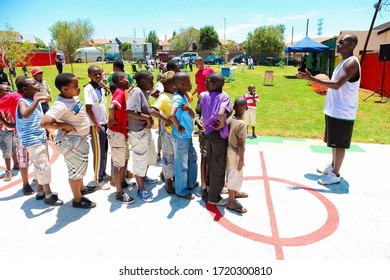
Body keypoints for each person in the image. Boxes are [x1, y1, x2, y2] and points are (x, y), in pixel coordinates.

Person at [297, 34, 361, 185]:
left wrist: (312, 79)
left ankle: (336, 174)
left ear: (351, 45)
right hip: (335, 109)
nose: (338, 45)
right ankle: (333, 167)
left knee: (339, 144)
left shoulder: (351, 63)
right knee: (333, 142)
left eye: (341, 42)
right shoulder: (343, 62)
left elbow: (337, 84)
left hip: (343, 111)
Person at [41, 73, 97, 208]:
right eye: (75, 86)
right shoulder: (60, 105)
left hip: (79, 139)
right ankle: (77, 199)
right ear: (64, 88)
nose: (79, 88)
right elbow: (45, 123)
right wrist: (64, 125)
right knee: (75, 172)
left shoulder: (72, 97)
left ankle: (81, 188)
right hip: (71, 141)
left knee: (79, 168)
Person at [15, 76, 63, 206]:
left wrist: (48, 131)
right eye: (34, 84)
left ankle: (40, 191)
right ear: (25, 89)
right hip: (32, 140)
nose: (37, 85)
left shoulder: (33, 101)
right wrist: (37, 100)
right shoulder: (23, 102)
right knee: (43, 166)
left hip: (40, 138)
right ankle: (49, 195)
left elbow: (39, 120)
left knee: (39, 165)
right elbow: (25, 114)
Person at [199, 72, 231, 205]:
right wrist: (222, 123)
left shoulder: (205, 96)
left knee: (212, 162)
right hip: (218, 135)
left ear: (212, 84)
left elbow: (203, 111)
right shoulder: (224, 97)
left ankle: (213, 188)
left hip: (207, 133)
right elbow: (221, 112)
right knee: (219, 164)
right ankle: (214, 197)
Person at [126, 70, 158, 202]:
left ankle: (144, 176)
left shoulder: (143, 91)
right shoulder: (137, 92)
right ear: (142, 81)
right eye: (151, 80)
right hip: (137, 132)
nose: (153, 82)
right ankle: (141, 189)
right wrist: (147, 118)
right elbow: (129, 112)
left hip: (144, 132)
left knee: (148, 156)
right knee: (140, 159)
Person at [107, 71, 135, 204]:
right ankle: (118, 192)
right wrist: (112, 119)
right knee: (118, 164)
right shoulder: (119, 92)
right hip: (116, 133)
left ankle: (122, 183)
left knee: (123, 159)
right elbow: (111, 107)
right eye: (126, 78)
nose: (128, 80)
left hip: (121, 132)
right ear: (119, 80)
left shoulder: (122, 91)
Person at [169, 72, 198, 200]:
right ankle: (181, 190)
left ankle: (190, 183)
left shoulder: (184, 96)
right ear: (181, 84)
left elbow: (190, 114)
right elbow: (171, 114)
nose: (191, 84)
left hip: (187, 137)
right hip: (180, 138)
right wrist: (178, 126)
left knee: (192, 158)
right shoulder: (178, 98)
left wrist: (190, 110)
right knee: (181, 164)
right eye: (189, 81)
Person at [0, 78, 31, 194]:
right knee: (12, 154)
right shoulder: (11, 98)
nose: (9, 93)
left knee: (16, 151)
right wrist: (6, 123)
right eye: (6, 91)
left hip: (21, 131)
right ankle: (13, 174)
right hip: (11, 132)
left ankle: (17, 166)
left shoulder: (21, 97)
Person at [84, 65, 110, 190]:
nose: (98, 76)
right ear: (89, 75)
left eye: (100, 73)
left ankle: (103, 173)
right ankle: (97, 179)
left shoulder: (99, 87)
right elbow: (88, 109)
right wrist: (97, 124)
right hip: (96, 126)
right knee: (98, 153)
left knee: (104, 150)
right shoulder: (88, 89)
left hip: (104, 123)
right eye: (95, 74)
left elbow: (101, 106)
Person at [150, 71, 176, 194]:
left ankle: (174, 175)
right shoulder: (164, 96)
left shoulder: (174, 94)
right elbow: (153, 110)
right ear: (167, 84)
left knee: (176, 156)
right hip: (168, 132)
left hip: (177, 131)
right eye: (174, 83)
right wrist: (166, 119)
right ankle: (168, 180)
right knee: (168, 156)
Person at [226, 97, 249, 213]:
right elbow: (241, 144)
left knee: (231, 173)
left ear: (233, 108)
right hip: (235, 153)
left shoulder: (230, 119)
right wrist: (241, 159)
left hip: (228, 150)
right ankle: (231, 202)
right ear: (247, 108)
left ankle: (235, 193)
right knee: (234, 176)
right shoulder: (242, 124)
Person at [0, 84, 16, 181]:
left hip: (12, 130)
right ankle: (9, 170)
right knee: (7, 150)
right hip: (3, 131)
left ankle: (16, 164)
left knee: (14, 148)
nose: (9, 93)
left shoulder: (9, 101)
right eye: (6, 91)